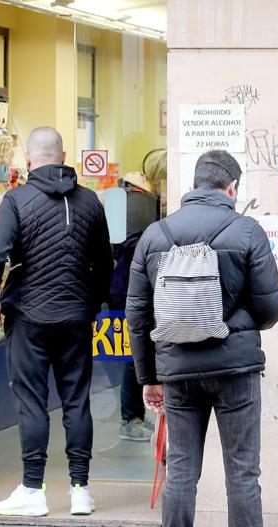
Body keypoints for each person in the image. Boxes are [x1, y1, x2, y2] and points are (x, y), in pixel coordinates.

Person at [126, 150, 278, 527]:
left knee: (180, 471)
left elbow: (137, 314)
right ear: (232, 187)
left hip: (177, 371)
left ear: (194, 183)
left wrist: (149, 377)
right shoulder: (246, 230)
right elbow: (272, 307)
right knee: (242, 472)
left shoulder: (156, 235)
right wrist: (235, 320)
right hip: (235, 368)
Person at [0, 126, 113, 517]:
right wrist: (91, 304)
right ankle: (80, 490)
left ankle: (33, 489)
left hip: (29, 318)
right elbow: (105, 262)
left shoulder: (17, 199)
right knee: (77, 401)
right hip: (75, 318)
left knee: (32, 402)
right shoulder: (90, 201)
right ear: (65, 155)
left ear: (28, 160)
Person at [108, 154, 167, 443]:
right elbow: (122, 248)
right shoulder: (143, 204)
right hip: (134, 286)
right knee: (135, 353)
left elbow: (111, 248)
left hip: (124, 286)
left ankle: (133, 415)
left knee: (133, 351)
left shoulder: (120, 199)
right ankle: (131, 417)